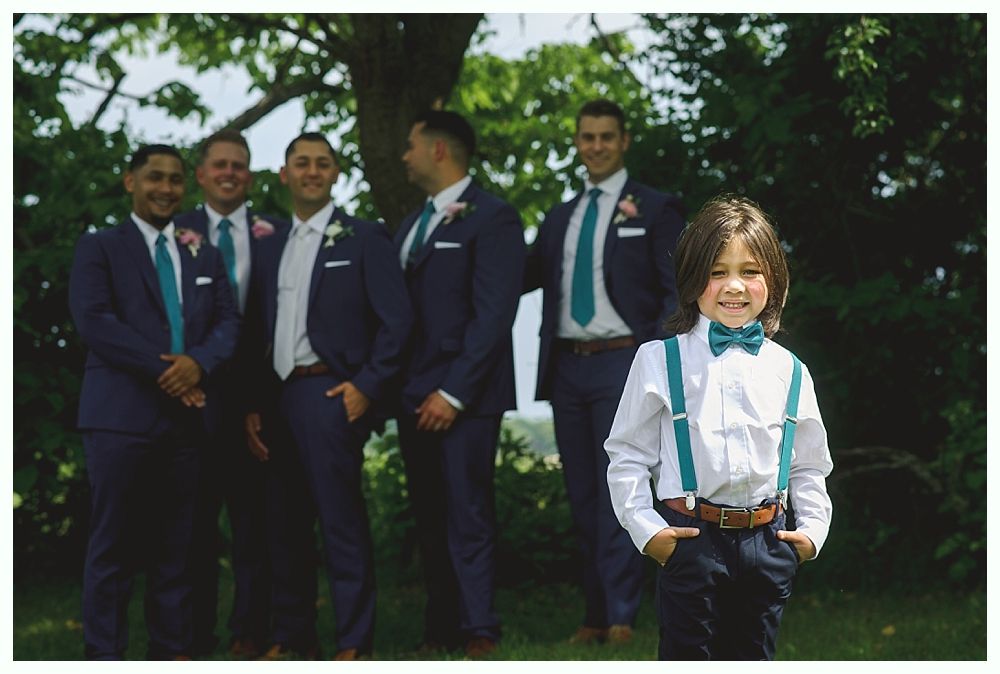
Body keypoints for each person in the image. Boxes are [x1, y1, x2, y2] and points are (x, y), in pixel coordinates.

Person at [604, 196, 834, 660]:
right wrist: (648, 531)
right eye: (716, 272)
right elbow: (627, 455)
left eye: (750, 271)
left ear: (773, 279)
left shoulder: (790, 369)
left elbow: (809, 464)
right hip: (691, 540)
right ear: (691, 280)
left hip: (769, 540)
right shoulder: (658, 360)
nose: (734, 286)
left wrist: (811, 532)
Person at [242, 132, 412, 660]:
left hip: (329, 393)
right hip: (275, 398)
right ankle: (293, 636)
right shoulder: (267, 245)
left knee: (340, 522)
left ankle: (353, 642)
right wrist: (251, 403)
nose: (312, 171)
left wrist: (366, 385)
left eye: (322, 163)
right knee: (283, 524)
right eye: (301, 163)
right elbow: (253, 331)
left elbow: (398, 322)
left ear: (336, 173)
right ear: (284, 175)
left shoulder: (362, 237)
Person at [524, 98, 685, 644]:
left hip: (626, 360)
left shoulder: (657, 208)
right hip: (567, 366)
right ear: (577, 142)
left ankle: (621, 616)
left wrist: (661, 361)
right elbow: (518, 278)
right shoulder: (558, 218)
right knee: (582, 495)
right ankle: (593, 616)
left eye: (606, 137)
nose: (595, 146)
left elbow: (675, 292)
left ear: (624, 141)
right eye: (586, 137)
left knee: (623, 486)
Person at [69, 144, 240, 659]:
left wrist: (199, 364)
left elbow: (229, 322)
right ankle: (104, 657)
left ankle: (171, 655)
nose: (165, 189)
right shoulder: (99, 247)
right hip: (120, 419)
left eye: (174, 180)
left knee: (178, 550)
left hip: (185, 425)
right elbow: (96, 321)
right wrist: (171, 371)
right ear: (130, 182)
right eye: (154, 178)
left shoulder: (201, 252)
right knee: (114, 549)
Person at [394, 110, 525, 658]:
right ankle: (439, 628)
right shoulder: (411, 224)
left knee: (467, 512)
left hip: (465, 396)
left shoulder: (494, 217)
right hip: (411, 394)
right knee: (429, 513)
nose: (405, 155)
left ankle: (479, 629)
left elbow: (493, 314)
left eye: (411, 145)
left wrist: (453, 392)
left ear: (439, 150)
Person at [174, 128, 283, 658]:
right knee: (193, 520)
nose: (229, 173)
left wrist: (260, 400)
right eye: (219, 164)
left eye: (238, 165)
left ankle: (251, 631)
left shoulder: (278, 234)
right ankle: (191, 636)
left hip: (261, 395)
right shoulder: (174, 231)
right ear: (201, 174)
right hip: (192, 392)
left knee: (255, 520)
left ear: (251, 174)